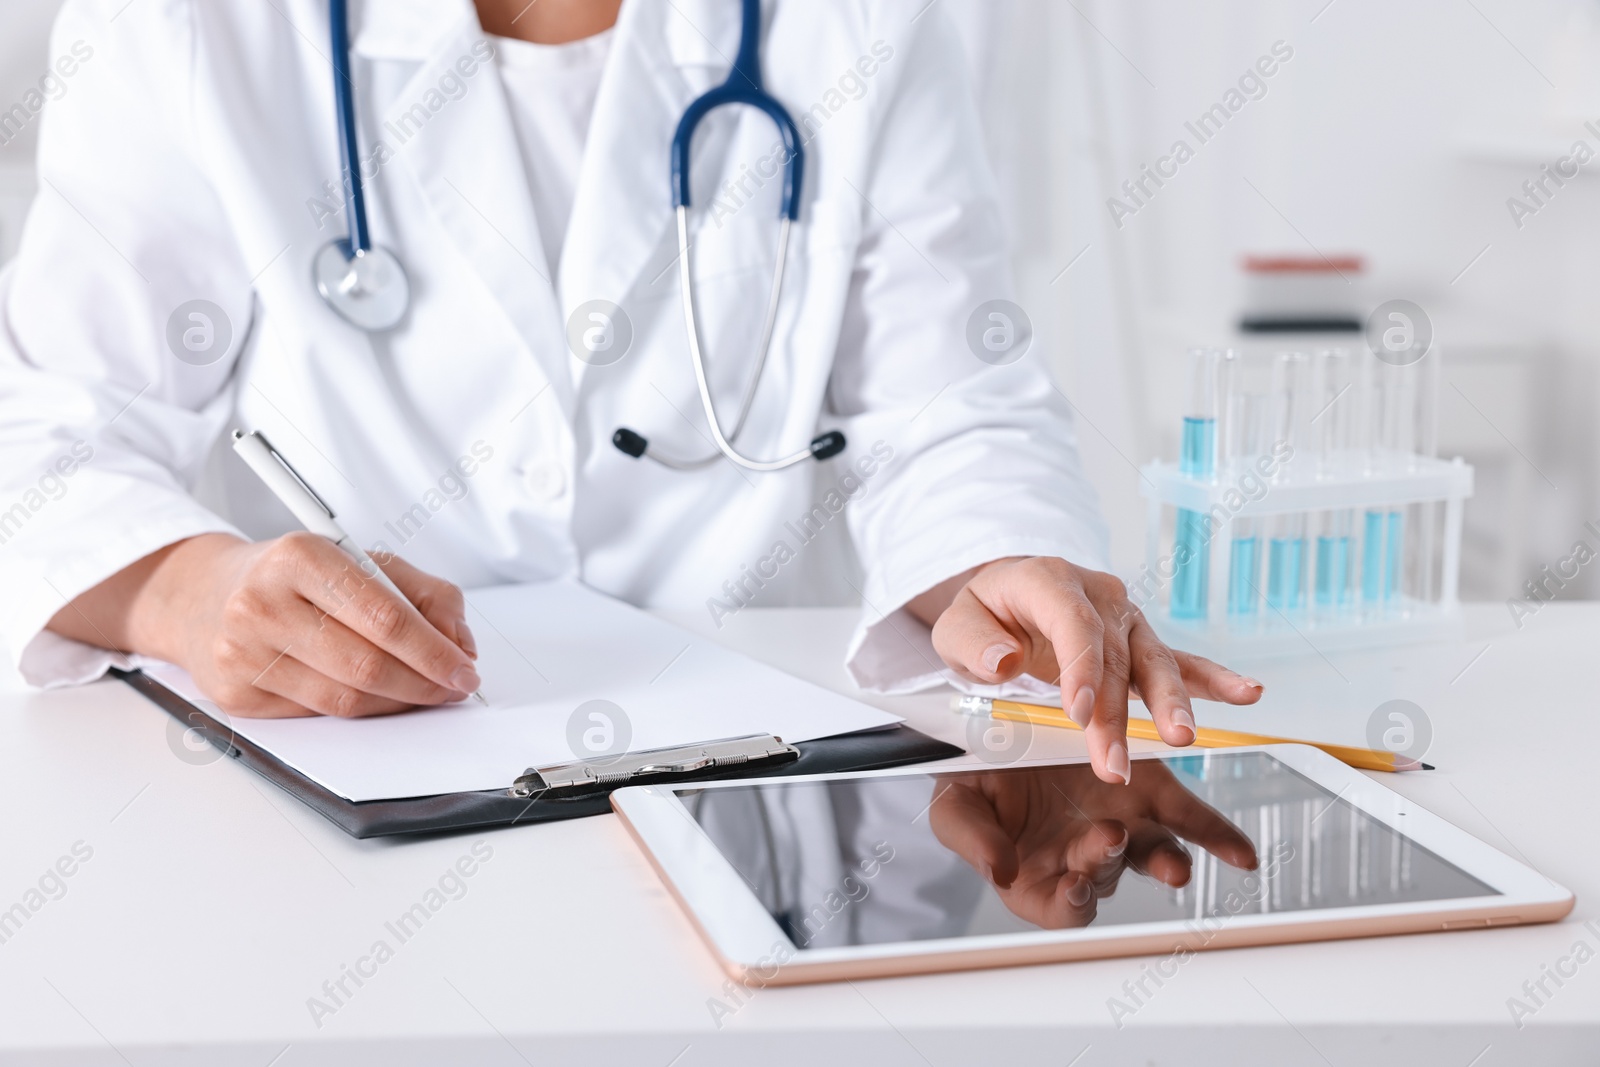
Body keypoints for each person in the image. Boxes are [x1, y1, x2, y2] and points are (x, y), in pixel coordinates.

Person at [0, 0, 1261, 785]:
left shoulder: (861, 21)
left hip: (775, 786)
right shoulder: (186, 23)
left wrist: (994, 555)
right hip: (372, 770)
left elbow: (950, 400)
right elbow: (53, 426)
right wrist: (188, 591)